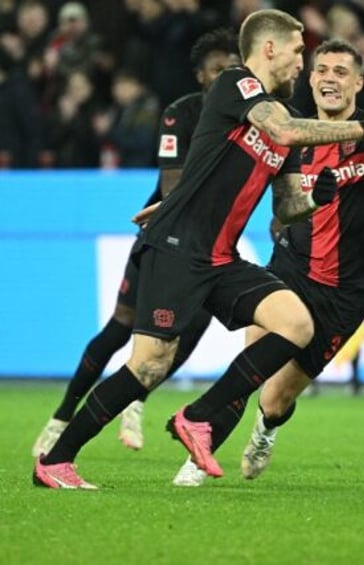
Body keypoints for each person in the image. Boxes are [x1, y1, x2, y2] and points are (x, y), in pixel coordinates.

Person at [33, 9, 364, 490]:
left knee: (294, 323)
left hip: (220, 257)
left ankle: (200, 416)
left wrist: (315, 198)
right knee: (148, 366)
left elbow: (288, 206)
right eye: (301, 52)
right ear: (270, 48)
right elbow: (284, 131)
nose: (304, 64)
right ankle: (56, 458)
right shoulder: (237, 85)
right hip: (177, 247)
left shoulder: (281, 116)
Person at [170, 37, 364, 487]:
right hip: (288, 272)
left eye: (341, 72)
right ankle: (195, 463)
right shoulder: (294, 137)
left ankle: (265, 430)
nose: (329, 78)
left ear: (358, 83)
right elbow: (277, 205)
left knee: (276, 397)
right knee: (250, 368)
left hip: (342, 294)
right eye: (322, 69)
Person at [31, 28, 241, 457]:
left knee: (195, 324)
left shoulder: (251, 117)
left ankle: (136, 402)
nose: (226, 77)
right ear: (201, 76)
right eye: (218, 70)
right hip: (163, 234)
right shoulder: (181, 114)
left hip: (209, 242)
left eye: (233, 70)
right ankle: (61, 416)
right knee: (120, 326)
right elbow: (172, 186)